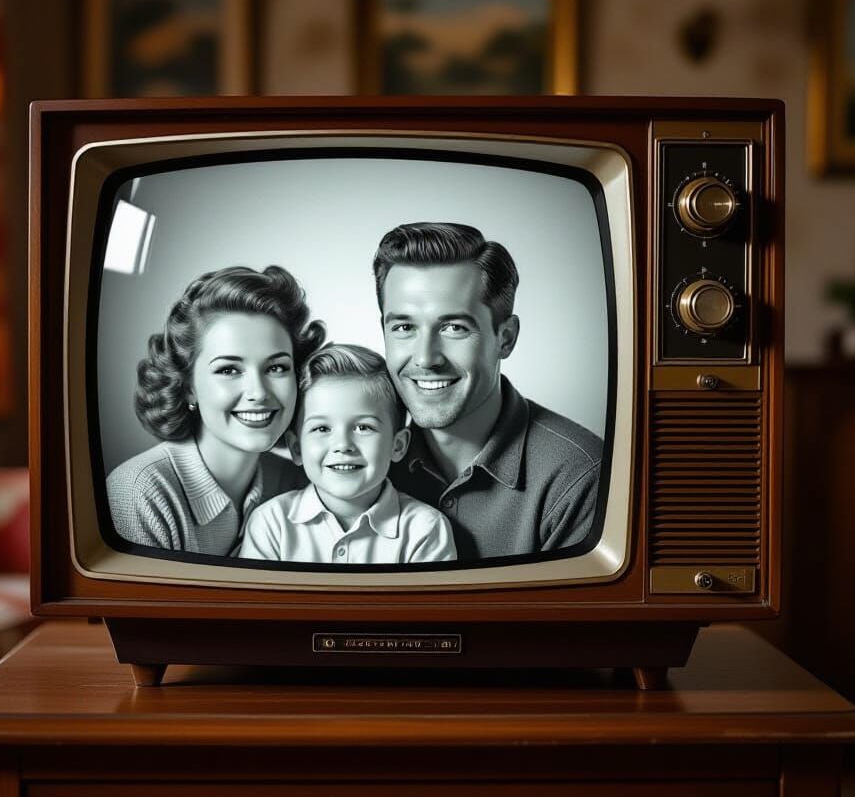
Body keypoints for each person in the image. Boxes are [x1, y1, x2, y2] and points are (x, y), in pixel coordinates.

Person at [373, 222, 602, 561]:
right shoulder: (364, 460)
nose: (425, 358)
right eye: (404, 327)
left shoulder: (580, 478)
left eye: (454, 327)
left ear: (505, 338)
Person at [106, 265, 325, 553]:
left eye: (276, 368)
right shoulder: (138, 493)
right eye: (229, 370)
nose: (259, 392)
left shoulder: (296, 481)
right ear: (188, 386)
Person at [238, 344, 456, 564]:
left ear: (397, 446)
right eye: (322, 429)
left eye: (363, 427)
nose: (343, 445)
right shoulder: (271, 523)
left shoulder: (425, 529)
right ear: (296, 448)